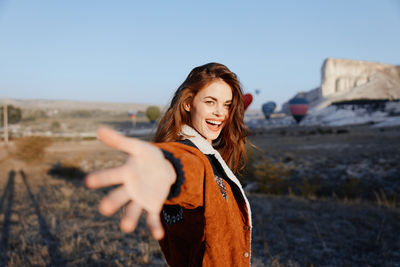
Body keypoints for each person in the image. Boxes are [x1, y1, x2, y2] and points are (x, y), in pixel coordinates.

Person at [85, 62, 252, 266]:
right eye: (210, 102)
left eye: (227, 104)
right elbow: (187, 169)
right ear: (188, 103)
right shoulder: (192, 156)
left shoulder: (208, 155)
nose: (220, 113)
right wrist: (168, 170)